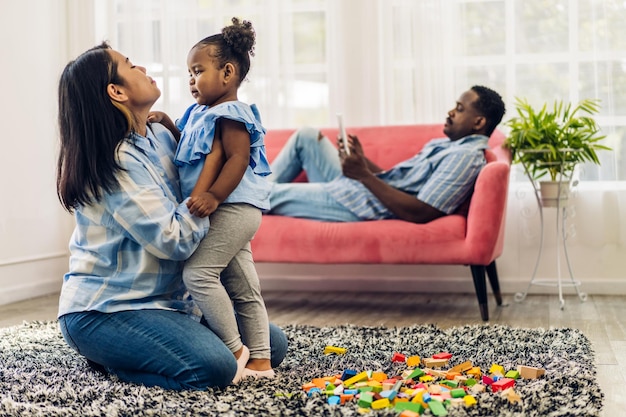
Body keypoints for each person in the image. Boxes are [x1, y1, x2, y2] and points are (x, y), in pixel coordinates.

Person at [55, 41, 287, 390]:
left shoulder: (161, 136)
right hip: (108, 309)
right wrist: (211, 172)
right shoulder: (116, 163)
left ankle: (140, 348)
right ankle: (110, 357)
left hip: (168, 303)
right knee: (215, 367)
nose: (143, 69)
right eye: (131, 65)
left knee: (270, 344)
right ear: (116, 91)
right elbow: (174, 240)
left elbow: (207, 153)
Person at [148, 18, 274, 382]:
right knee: (243, 285)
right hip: (229, 210)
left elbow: (237, 158)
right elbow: (189, 143)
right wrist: (169, 125)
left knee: (199, 274)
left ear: (228, 72)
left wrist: (214, 195)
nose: (191, 79)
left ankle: (236, 350)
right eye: (189, 72)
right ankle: (261, 361)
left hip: (233, 207)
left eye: (198, 71)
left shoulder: (231, 114)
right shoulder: (198, 114)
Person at [266, 85, 505, 224]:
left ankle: (239, 206)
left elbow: (422, 212)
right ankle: (248, 208)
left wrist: (363, 176)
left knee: (263, 192)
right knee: (307, 136)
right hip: (359, 190)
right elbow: (399, 182)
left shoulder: (464, 157)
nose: (451, 112)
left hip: (360, 205)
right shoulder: (446, 145)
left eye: (460, 109)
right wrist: (363, 163)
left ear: (479, 122)